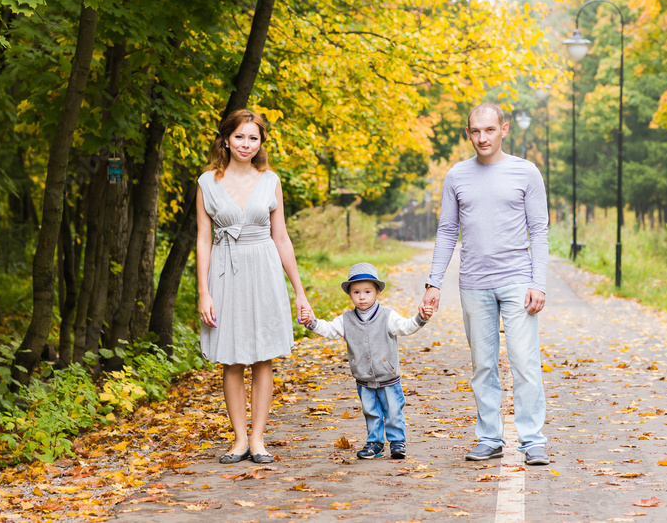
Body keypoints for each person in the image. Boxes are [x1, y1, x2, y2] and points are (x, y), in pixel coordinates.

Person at [420, 102, 551, 466]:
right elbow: (447, 230)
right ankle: (490, 437)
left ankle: (532, 440)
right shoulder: (456, 176)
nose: (482, 138)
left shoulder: (526, 173)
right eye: (475, 131)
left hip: (517, 281)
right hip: (474, 283)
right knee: (483, 365)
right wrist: (434, 282)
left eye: (489, 130)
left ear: (504, 129)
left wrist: (538, 283)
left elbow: (539, 230)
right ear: (468, 133)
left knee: (525, 361)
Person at [196, 109, 313, 465]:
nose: (245, 144)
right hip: (225, 272)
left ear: (261, 142)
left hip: (263, 270)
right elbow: (203, 239)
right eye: (239, 137)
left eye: (253, 138)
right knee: (231, 359)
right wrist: (204, 291)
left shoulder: (270, 180)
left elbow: (282, 238)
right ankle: (239, 440)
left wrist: (300, 292)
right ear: (226, 139)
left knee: (263, 357)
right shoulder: (207, 182)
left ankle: (259, 439)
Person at [301, 263, 432, 460]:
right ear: (350, 295)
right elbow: (329, 330)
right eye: (356, 292)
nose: (362, 297)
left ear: (377, 292)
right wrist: (312, 322)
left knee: (394, 410)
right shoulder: (346, 320)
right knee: (371, 412)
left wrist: (420, 318)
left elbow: (405, 327)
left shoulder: (387, 316)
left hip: (389, 376)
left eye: (367, 291)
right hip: (363, 377)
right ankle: (375, 444)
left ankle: (397, 442)